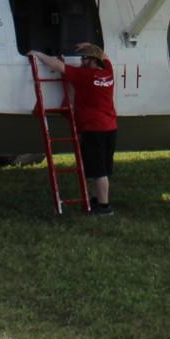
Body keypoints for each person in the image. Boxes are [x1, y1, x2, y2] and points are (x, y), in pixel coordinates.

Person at [31, 43, 117, 215]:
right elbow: (105, 57)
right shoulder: (108, 72)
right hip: (110, 127)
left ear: (93, 61)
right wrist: (91, 46)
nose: (81, 61)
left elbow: (57, 66)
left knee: (98, 171)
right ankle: (97, 200)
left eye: (85, 58)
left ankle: (104, 207)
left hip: (93, 129)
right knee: (100, 169)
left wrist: (38, 54)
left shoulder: (84, 76)